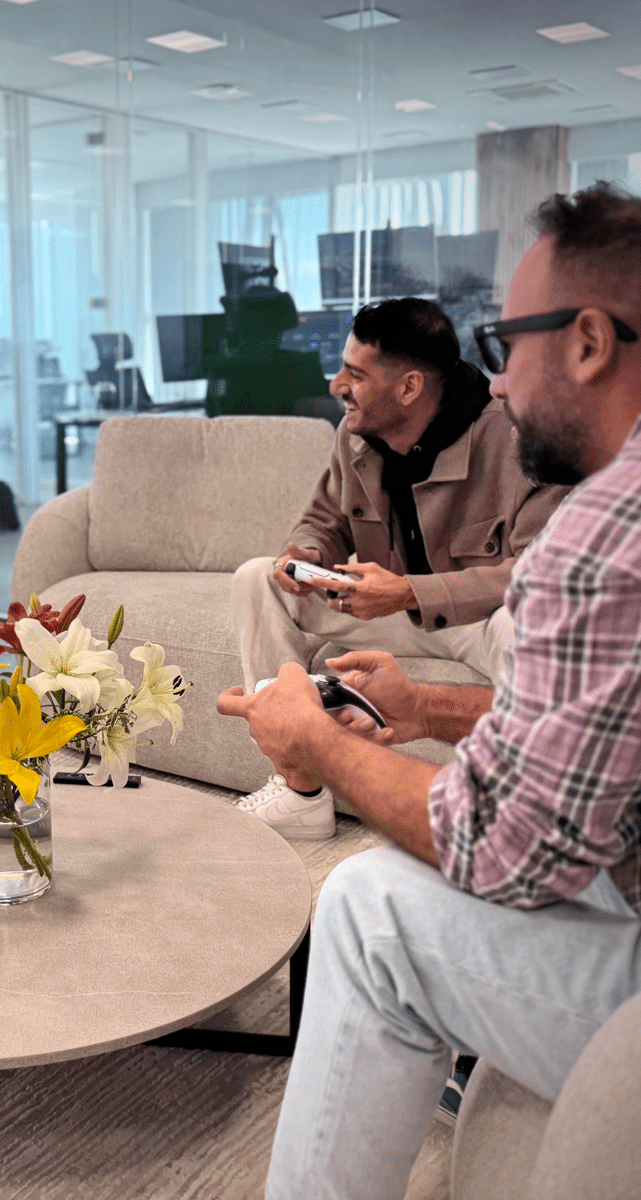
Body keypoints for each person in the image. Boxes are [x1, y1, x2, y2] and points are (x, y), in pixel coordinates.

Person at [219, 182, 641, 1200]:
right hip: (398, 629)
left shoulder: (602, 526)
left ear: (588, 343)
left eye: (510, 343)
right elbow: (613, 724)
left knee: (368, 908)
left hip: (460, 612)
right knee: (261, 578)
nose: (499, 380)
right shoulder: (358, 441)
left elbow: (504, 848)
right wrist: (421, 706)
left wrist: (322, 744)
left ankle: (306, 785)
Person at [230, 297, 567, 840]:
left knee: (528, 623)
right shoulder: (355, 434)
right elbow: (324, 520)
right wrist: (309, 555)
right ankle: (299, 790)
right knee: (256, 577)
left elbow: (538, 577)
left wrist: (410, 591)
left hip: (481, 619)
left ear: (409, 388)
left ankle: (525, 814)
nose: (337, 384)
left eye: (356, 374)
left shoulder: (516, 440)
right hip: (389, 608)